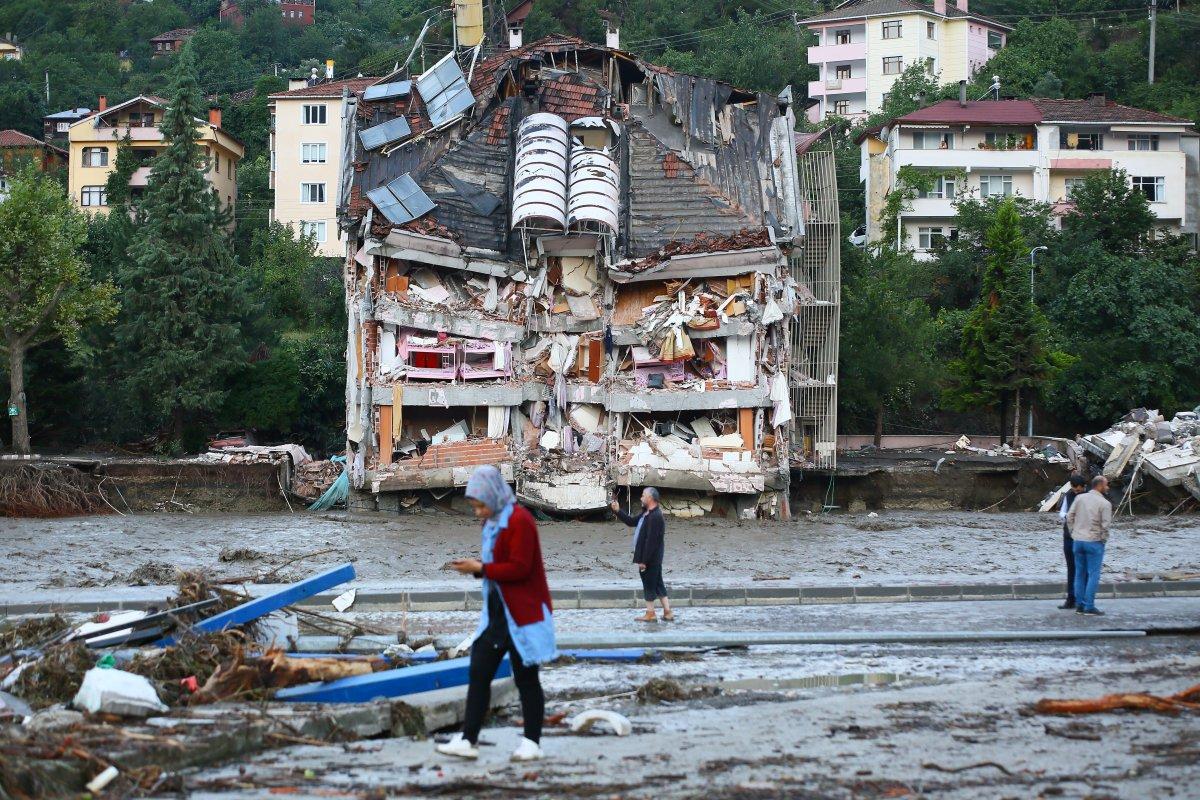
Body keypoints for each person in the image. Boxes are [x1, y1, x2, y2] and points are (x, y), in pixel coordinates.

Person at [437, 465, 556, 762]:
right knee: (478, 671)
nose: (478, 512)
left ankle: (532, 743)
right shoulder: (492, 521)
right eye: (475, 506)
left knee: (526, 678)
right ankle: (468, 739)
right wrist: (478, 567)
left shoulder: (520, 520)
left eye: (480, 505)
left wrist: (480, 568)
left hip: (522, 613)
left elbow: (520, 568)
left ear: (492, 496)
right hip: (497, 612)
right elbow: (497, 565)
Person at [610, 487, 673, 622]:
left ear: (650, 498)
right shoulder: (646, 514)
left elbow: (652, 541)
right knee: (658, 584)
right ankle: (668, 612)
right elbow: (631, 522)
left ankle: (650, 613)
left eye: (643, 496)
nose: (641, 498)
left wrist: (644, 560)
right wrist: (617, 511)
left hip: (651, 559)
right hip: (652, 558)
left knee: (649, 585)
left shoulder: (655, 516)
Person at [1066, 475, 1113, 616]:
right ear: (1099, 486)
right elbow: (1106, 526)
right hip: (1094, 542)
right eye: (1106, 485)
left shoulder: (1080, 498)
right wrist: (1103, 540)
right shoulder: (1105, 504)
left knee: (1079, 574)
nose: (1108, 487)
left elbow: (1069, 517)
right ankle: (1089, 606)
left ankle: (1079, 605)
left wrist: (1073, 533)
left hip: (1078, 541)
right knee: (1093, 575)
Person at [1057, 474, 1089, 609]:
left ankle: (1083, 599)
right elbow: (1062, 513)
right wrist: (1070, 516)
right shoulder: (1068, 496)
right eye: (1075, 490)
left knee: (1084, 570)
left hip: (1084, 537)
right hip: (1069, 537)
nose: (1076, 493)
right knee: (1072, 568)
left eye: (1079, 490)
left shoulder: (1089, 497)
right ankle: (1071, 599)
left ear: (1084, 487)